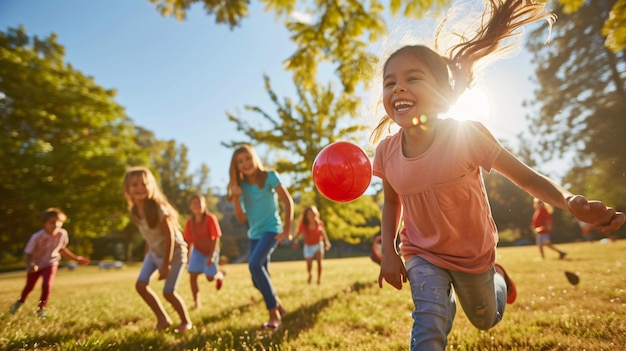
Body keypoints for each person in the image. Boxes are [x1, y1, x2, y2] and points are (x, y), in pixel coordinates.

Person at [370, 0, 625, 349]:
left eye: (413, 78)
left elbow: (527, 179)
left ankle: (499, 278)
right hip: (421, 252)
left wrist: (569, 201)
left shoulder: (466, 136)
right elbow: (390, 202)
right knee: (428, 320)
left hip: (472, 255)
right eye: (390, 82)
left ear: (443, 97)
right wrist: (389, 250)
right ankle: (438, 301)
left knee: (484, 318)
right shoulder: (386, 151)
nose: (397, 88)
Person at [227, 144, 294, 330]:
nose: (245, 163)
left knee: (254, 264)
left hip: (272, 229)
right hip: (254, 234)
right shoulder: (240, 187)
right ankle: (279, 305)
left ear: (254, 158)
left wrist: (287, 229)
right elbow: (241, 218)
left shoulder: (270, 176)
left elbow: (288, 202)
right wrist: (235, 197)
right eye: (240, 161)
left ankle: (274, 314)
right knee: (257, 279)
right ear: (236, 167)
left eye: (247, 158)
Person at [122, 166, 192, 332]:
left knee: (168, 292)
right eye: (135, 185)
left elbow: (169, 237)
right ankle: (163, 319)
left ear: (152, 186)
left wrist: (165, 265)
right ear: (128, 189)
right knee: (141, 285)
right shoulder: (134, 211)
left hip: (174, 253)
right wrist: (148, 258)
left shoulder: (159, 208)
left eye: (144, 184)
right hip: (155, 253)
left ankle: (185, 321)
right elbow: (149, 237)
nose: (140, 188)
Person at [10, 208, 90, 317]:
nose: (56, 224)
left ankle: (41, 309)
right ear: (44, 223)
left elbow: (61, 249)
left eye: (59, 222)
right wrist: (31, 264)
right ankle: (20, 302)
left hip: (51, 263)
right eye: (52, 222)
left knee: (47, 285)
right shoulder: (37, 237)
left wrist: (76, 258)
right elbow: (27, 253)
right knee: (29, 287)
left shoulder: (62, 234)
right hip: (36, 265)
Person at [183, 194, 225, 309]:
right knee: (192, 275)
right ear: (190, 207)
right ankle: (197, 303)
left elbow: (215, 237)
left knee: (210, 278)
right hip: (197, 251)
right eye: (194, 203)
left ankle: (220, 275)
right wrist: (187, 258)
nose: (197, 205)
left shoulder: (210, 218)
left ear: (205, 205)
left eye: (199, 202)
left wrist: (211, 256)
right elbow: (189, 242)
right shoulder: (189, 223)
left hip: (211, 250)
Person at [292, 206, 331, 285]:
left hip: (318, 245)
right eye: (309, 213)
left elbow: (323, 233)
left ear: (316, 213)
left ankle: (319, 280)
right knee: (309, 264)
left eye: (313, 212)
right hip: (308, 246)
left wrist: (326, 242)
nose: (312, 215)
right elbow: (298, 234)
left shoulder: (319, 223)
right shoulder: (304, 225)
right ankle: (310, 274)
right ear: (306, 216)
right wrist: (295, 242)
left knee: (319, 263)